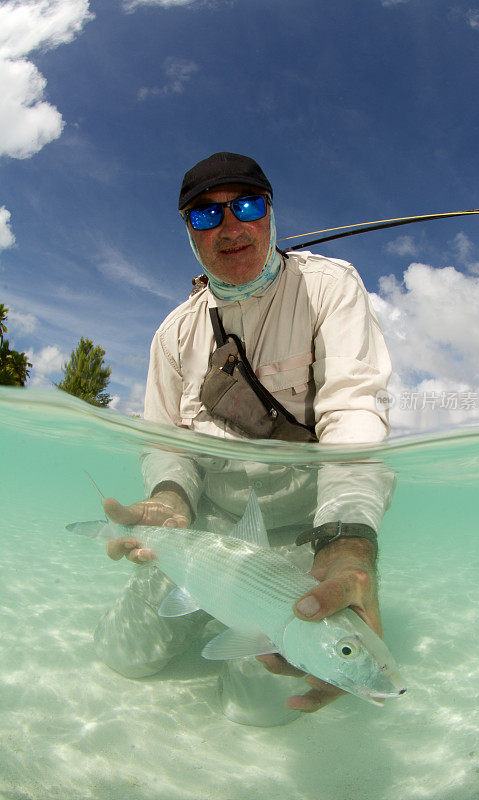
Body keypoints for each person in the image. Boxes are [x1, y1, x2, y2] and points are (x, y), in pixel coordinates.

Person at [95, 152, 395, 725]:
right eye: (205, 216)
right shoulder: (172, 334)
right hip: (205, 531)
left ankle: (231, 615)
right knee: (125, 656)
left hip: (301, 539)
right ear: (190, 234)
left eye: (247, 206)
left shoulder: (331, 288)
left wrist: (346, 541)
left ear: (271, 214)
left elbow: (353, 410)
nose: (230, 227)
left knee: (258, 709)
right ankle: (207, 606)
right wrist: (169, 499)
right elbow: (167, 443)